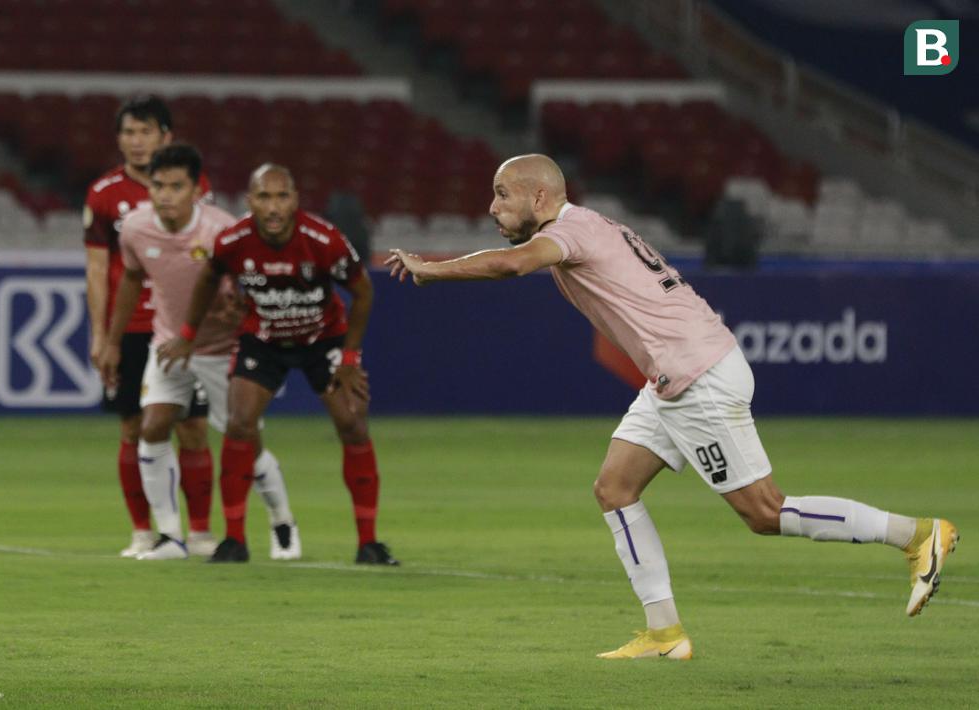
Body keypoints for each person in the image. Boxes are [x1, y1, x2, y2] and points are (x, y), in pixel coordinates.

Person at [385, 154, 958, 658]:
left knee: (763, 511)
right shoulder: (586, 227)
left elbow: (510, 265)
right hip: (675, 378)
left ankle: (915, 534)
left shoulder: (568, 231)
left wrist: (430, 268)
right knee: (614, 489)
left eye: (502, 195)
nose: (492, 208)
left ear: (540, 196)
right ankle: (664, 635)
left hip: (698, 377)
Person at [84, 95, 294, 557]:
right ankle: (156, 533)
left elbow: (238, 277)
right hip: (153, 332)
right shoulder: (111, 203)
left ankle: (242, 525)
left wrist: (239, 315)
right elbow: (103, 270)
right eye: (128, 132)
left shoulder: (213, 218)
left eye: (145, 131)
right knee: (140, 425)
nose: (135, 142)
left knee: (216, 432)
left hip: (208, 342)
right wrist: (105, 336)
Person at [160, 163, 399, 565]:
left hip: (322, 338)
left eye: (281, 196)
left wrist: (349, 357)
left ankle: (369, 543)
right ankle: (234, 540)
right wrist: (187, 334)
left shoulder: (322, 240)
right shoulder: (234, 240)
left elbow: (363, 291)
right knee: (239, 424)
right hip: (263, 339)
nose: (273, 207)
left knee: (353, 423)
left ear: (295, 200)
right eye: (264, 197)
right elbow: (206, 279)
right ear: (250, 200)